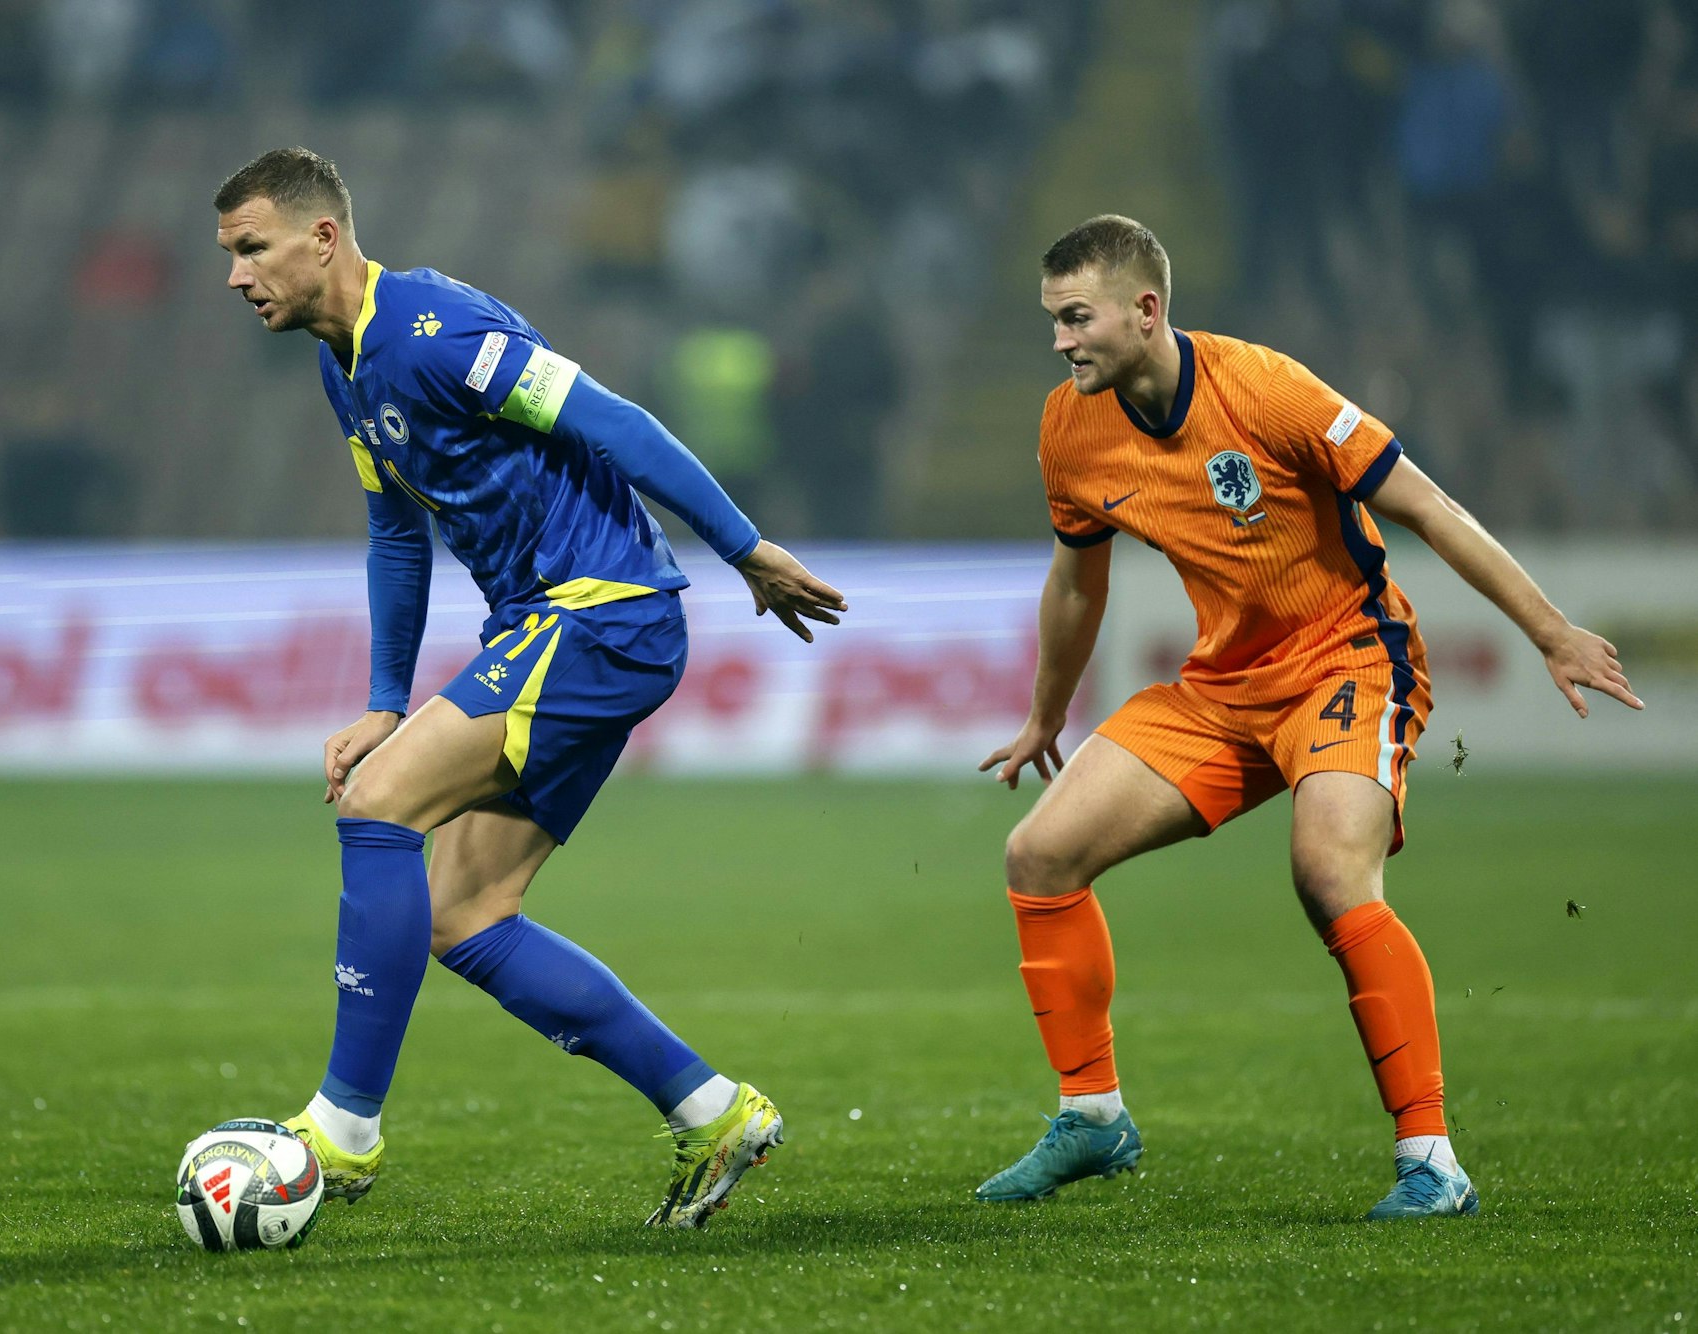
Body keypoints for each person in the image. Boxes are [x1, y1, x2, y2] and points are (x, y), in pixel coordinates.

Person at [211, 147, 847, 1229]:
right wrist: (382, 699)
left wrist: (742, 546)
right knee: (464, 913)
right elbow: (394, 532)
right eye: (229, 254)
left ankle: (344, 1130)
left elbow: (616, 421)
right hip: (562, 624)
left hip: (604, 609)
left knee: (376, 808)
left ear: (323, 238)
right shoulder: (344, 361)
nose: (235, 275)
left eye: (251, 248)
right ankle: (712, 1110)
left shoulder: (435, 335)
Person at [976, 214, 1641, 1220]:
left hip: (1349, 657)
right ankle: (1094, 1117)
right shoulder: (1070, 425)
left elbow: (1428, 506)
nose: (1060, 341)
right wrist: (1042, 713)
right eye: (1053, 321)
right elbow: (1076, 577)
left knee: (1329, 873)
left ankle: (1433, 1160)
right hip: (1222, 684)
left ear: (1145, 311)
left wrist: (1549, 629)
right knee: (1041, 853)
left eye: (1076, 318)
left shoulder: (1266, 390)